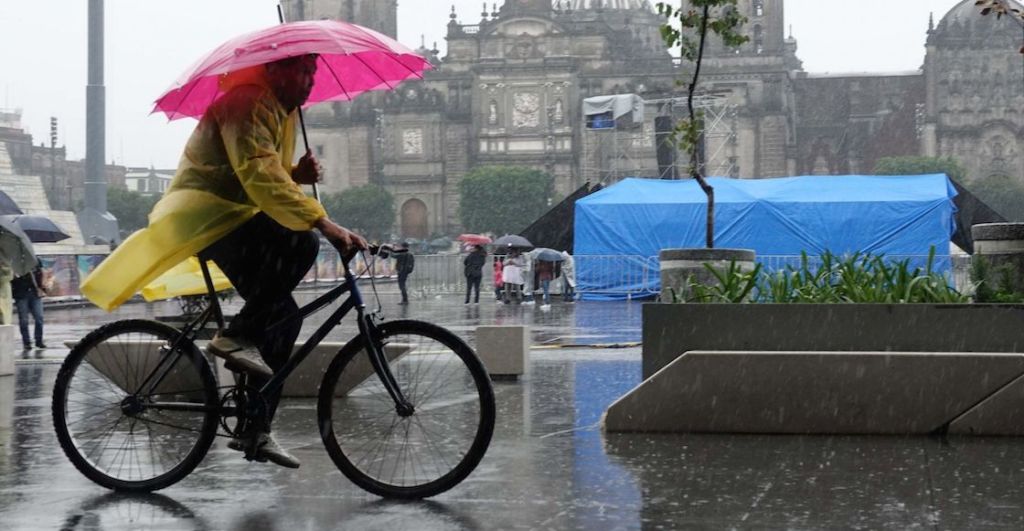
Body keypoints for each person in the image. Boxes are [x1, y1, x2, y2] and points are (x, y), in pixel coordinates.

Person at [81, 54, 368, 469]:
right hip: (205, 215)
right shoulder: (247, 102)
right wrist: (325, 223)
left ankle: (256, 427)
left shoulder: (280, 112)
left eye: (313, 73)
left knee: (283, 317)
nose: (309, 81)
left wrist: (295, 174)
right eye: (301, 71)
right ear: (274, 70)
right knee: (303, 244)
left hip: (232, 214)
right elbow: (257, 175)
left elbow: (261, 170)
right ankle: (234, 338)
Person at [11, 265, 46, 349]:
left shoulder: (34, 260)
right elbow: (11, 277)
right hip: (21, 294)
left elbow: (42, 271)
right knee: (24, 320)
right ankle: (26, 342)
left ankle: (39, 340)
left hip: (35, 293)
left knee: (39, 317)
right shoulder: (15, 262)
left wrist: (43, 284)